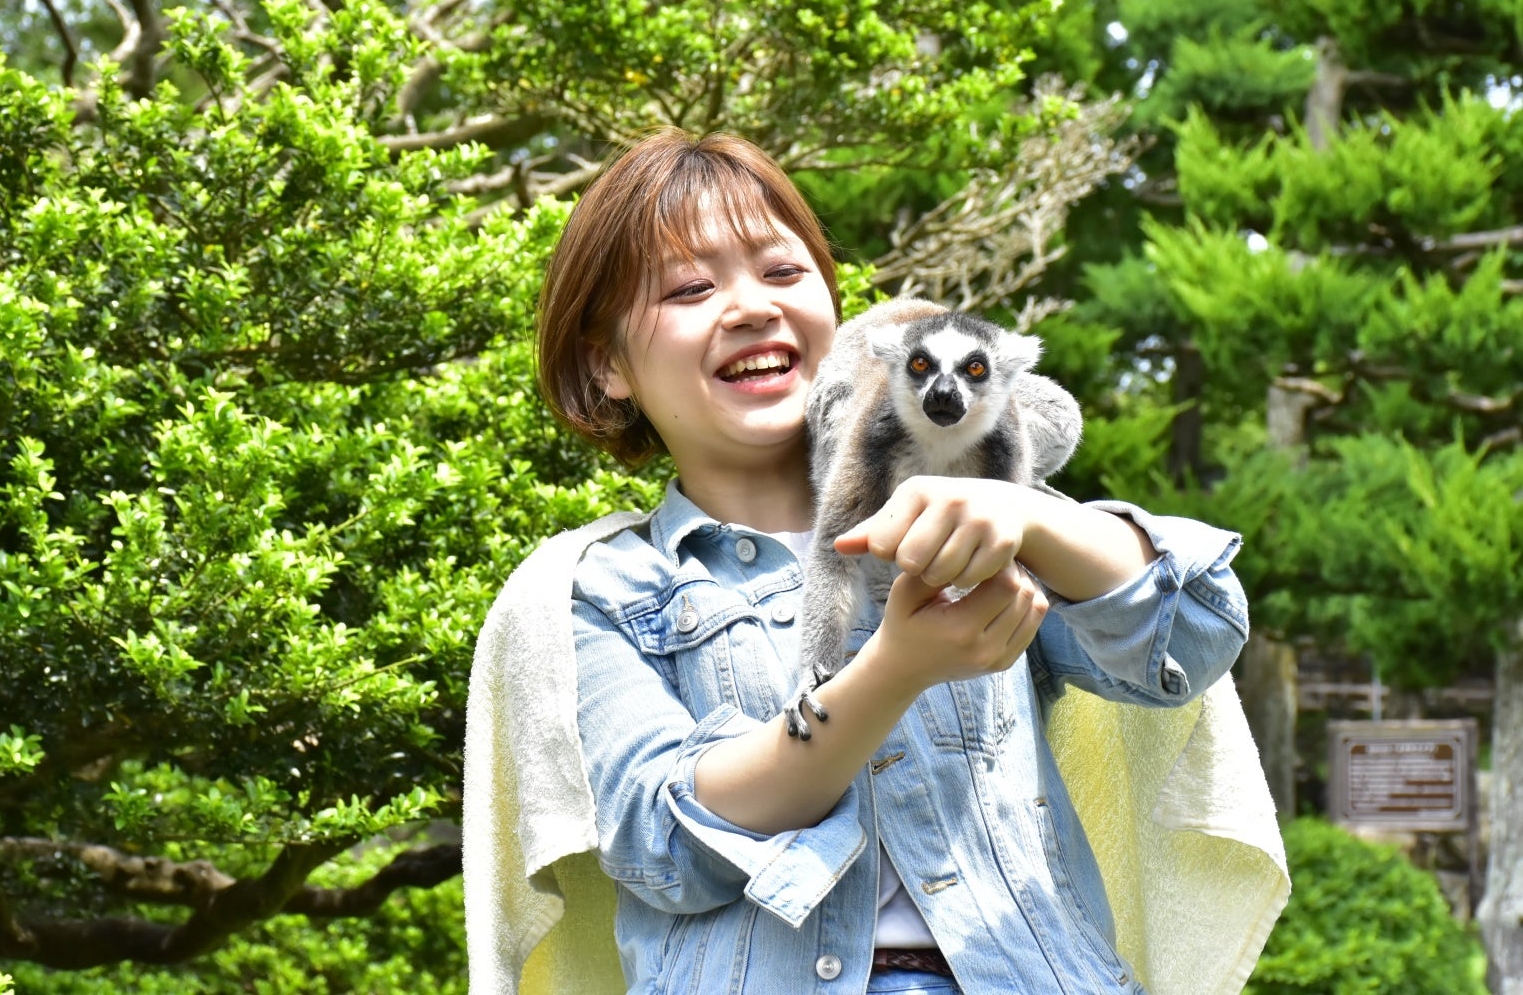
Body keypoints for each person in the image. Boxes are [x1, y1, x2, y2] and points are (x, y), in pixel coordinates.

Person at [462, 129, 1288, 995]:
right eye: (691, 288)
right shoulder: (601, 589)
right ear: (606, 366)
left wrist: (1032, 518)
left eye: (783, 273)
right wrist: (893, 671)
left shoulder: (968, 502)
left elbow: (1186, 640)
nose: (751, 306)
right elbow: (664, 841)